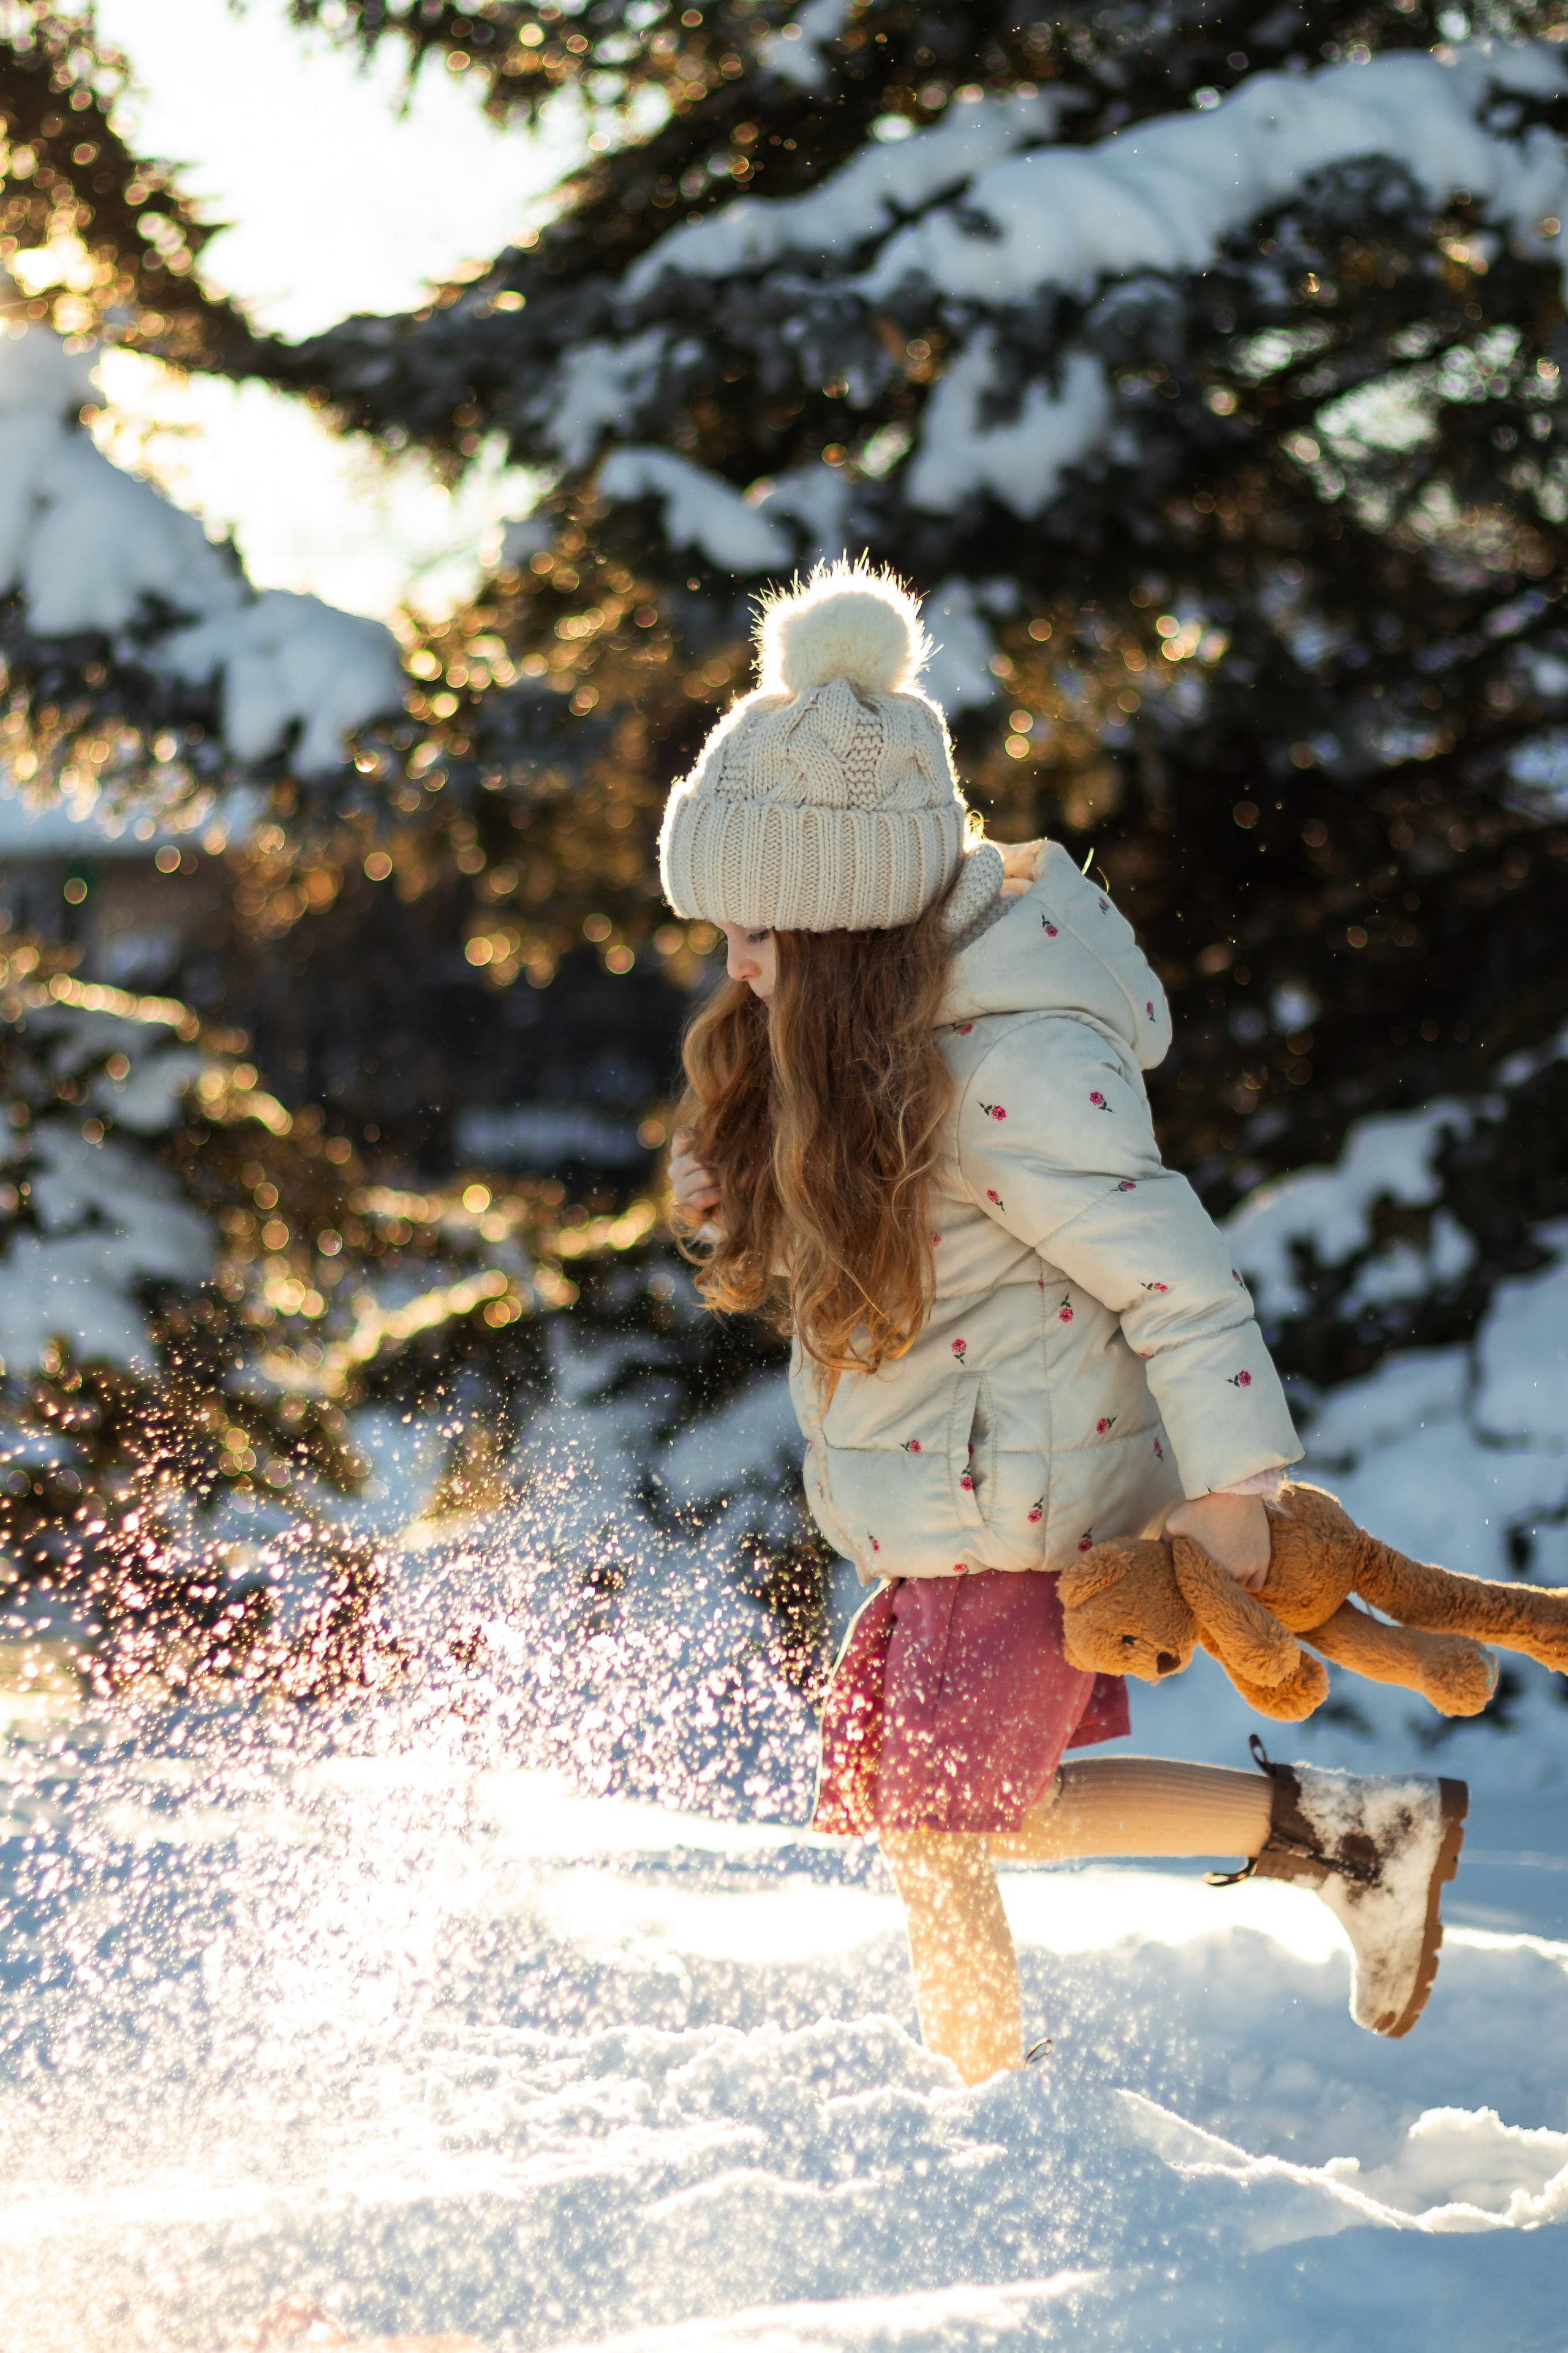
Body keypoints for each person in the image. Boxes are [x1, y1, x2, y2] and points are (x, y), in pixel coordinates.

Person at [663, 560, 1468, 2086]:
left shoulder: (1004, 1059)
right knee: (970, 1816)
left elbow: (1178, 1278)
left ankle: (987, 2115)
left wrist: (1234, 1500)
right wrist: (732, 1182)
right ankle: (1357, 1837)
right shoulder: (873, 1045)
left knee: (941, 1828)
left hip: (1016, 1503)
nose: (736, 966)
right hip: (951, 1499)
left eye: (754, 934)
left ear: (838, 929)